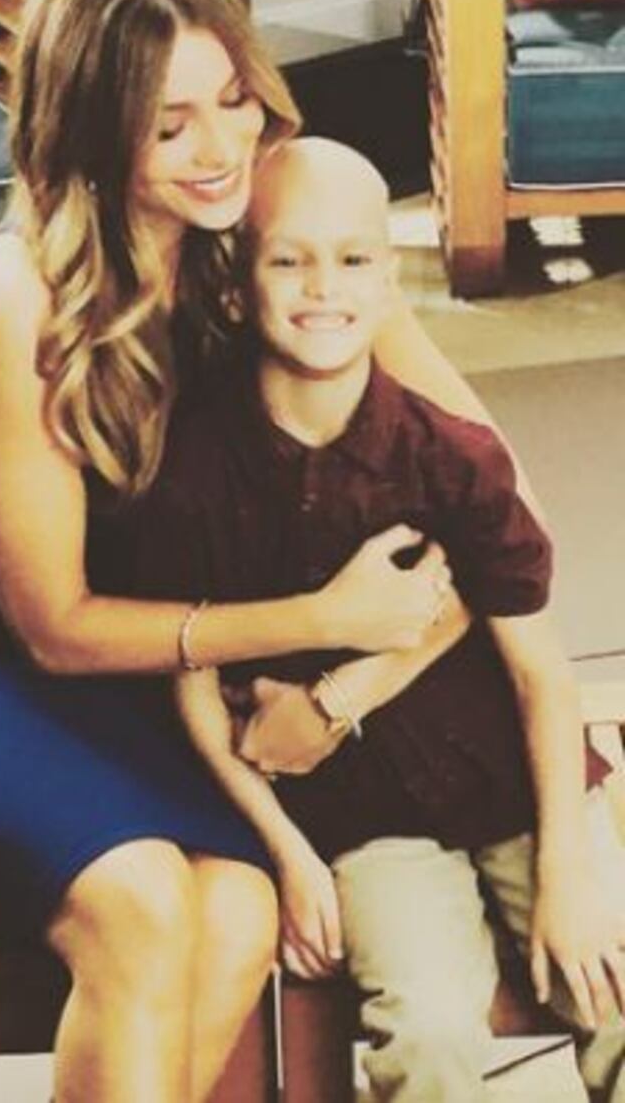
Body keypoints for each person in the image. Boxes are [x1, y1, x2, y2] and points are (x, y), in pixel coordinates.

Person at [0, 0, 515, 1103]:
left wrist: (346, 688)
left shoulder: (271, 228)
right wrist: (319, 618)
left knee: (236, 909)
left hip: (150, 679)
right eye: (169, 123)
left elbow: (488, 485)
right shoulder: (17, 295)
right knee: (142, 903)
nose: (220, 147)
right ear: (91, 128)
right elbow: (53, 627)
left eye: (234, 98)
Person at [126, 136, 625, 1103]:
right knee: (428, 1030)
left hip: (520, 783)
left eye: (354, 258)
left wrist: (567, 873)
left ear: (389, 282)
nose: (325, 287)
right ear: (236, 289)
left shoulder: (455, 456)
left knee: (611, 980)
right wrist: (290, 856)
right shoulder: (194, 478)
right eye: (289, 260)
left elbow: (541, 673)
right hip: (364, 823)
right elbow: (197, 702)